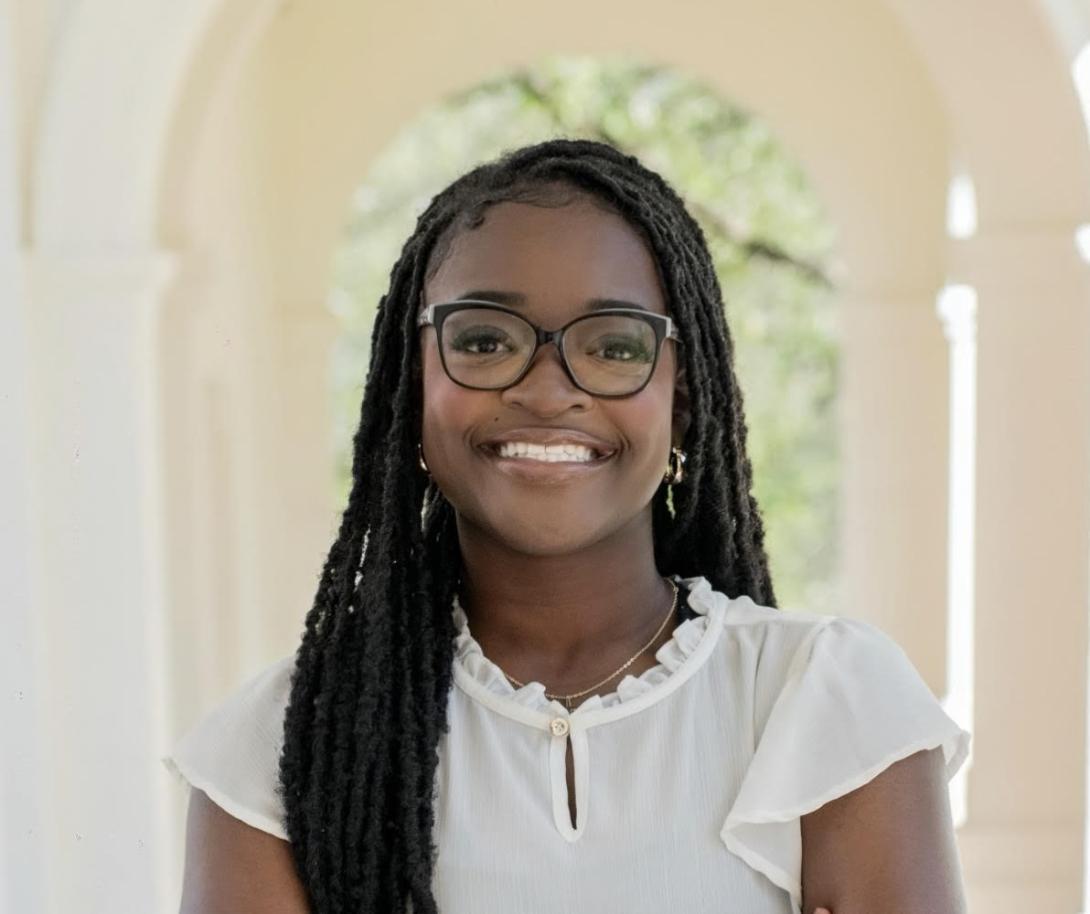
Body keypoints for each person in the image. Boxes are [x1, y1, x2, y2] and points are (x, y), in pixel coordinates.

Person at [164, 139, 971, 914]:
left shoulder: (826, 701)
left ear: (682, 400)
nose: (548, 390)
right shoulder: (284, 745)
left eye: (614, 346)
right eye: (483, 340)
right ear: (411, 389)